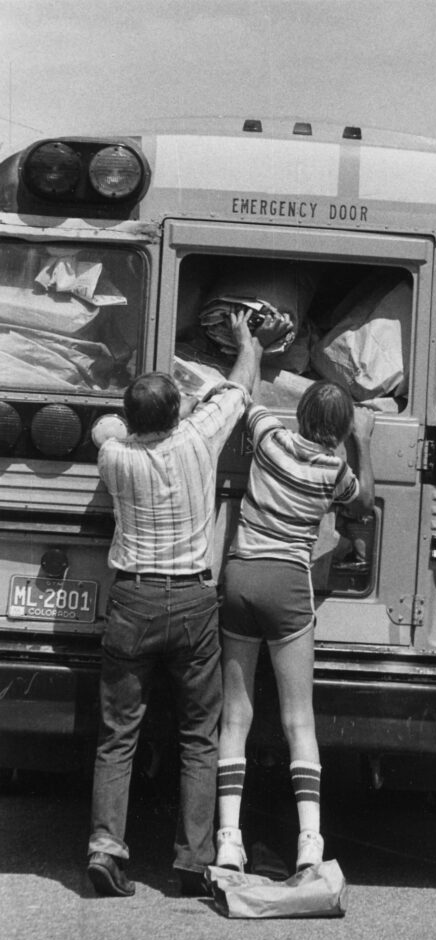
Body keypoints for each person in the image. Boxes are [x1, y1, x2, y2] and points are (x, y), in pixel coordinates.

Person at [86, 311, 263, 898]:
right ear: (175, 414)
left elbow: (104, 428)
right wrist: (246, 342)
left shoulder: (115, 458)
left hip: (132, 600)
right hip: (191, 600)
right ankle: (192, 858)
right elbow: (239, 387)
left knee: (118, 735)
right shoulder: (198, 439)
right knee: (199, 734)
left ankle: (106, 847)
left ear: (134, 419)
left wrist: (125, 419)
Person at [215, 326, 375, 875]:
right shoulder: (335, 472)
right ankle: (310, 844)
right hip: (288, 587)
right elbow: (365, 502)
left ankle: (228, 840)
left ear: (300, 415)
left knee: (235, 717)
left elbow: (245, 396)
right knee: (298, 721)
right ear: (341, 429)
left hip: (240, 578)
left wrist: (252, 347)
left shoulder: (271, 439)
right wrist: (363, 441)